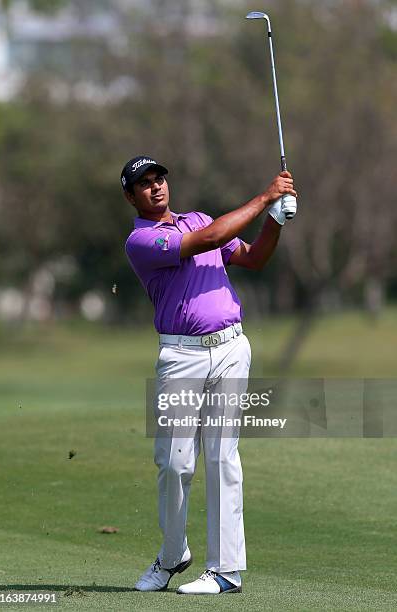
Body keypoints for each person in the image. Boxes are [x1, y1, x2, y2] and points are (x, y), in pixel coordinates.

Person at [121, 155, 297, 595]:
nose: (156, 187)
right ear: (131, 196)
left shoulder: (198, 217)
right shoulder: (141, 240)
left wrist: (275, 219)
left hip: (232, 349)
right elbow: (210, 239)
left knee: (222, 458)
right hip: (181, 358)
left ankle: (225, 571)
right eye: (144, 184)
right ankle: (172, 554)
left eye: (160, 178)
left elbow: (254, 258)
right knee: (175, 464)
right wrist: (265, 196)